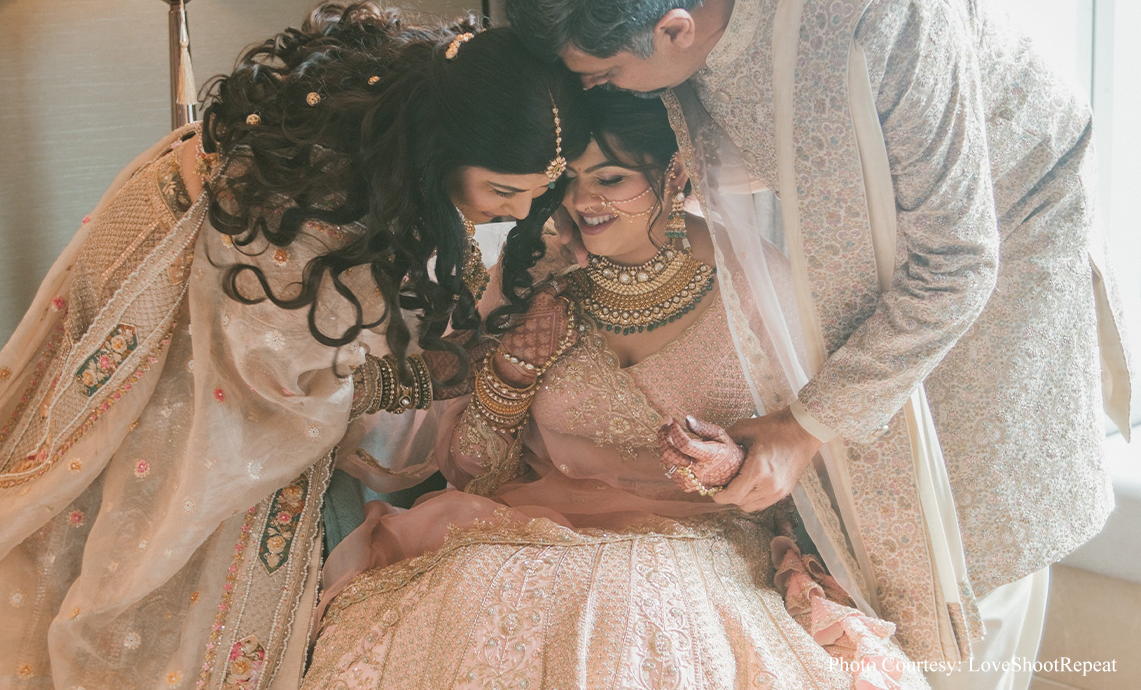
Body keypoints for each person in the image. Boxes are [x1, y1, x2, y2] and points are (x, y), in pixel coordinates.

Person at [502, 0, 1133, 688]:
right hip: (881, 280)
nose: (602, 89)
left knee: (967, 560)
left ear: (674, 29)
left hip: (996, 275)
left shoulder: (886, 5)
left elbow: (957, 264)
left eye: (605, 73)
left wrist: (802, 426)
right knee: (866, 563)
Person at [0, 1, 589, 689]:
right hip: (183, 353)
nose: (515, 211)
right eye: (504, 190)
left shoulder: (396, 132)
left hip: (223, 324)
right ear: (445, 146)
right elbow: (280, 387)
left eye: (534, 193)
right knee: (139, 579)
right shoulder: (310, 197)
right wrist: (425, 376)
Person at [301, 92, 930, 690]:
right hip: (529, 531)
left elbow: (807, 462)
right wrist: (515, 368)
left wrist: (730, 463)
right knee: (475, 594)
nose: (583, 201)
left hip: (699, 543)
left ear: (675, 173)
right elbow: (474, 473)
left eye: (610, 178)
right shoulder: (537, 274)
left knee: (633, 607)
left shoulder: (752, 285)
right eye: (568, 180)